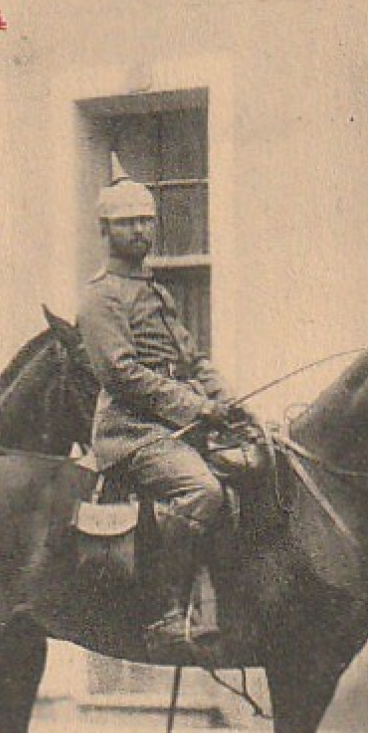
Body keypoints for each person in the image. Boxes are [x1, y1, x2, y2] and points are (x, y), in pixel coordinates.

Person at [78, 155, 247, 656]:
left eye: (145, 221)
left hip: (175, 424)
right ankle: (164, 611)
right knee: (203, 491)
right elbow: (123, 374)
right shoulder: (101, 297)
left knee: (255, 467)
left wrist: (229, 403)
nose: (139, 231)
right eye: (127, 223)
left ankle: (224, 604)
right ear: (105, 230)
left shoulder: (155, 291)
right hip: (130, 431)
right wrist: (196, 409)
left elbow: (191, 358)